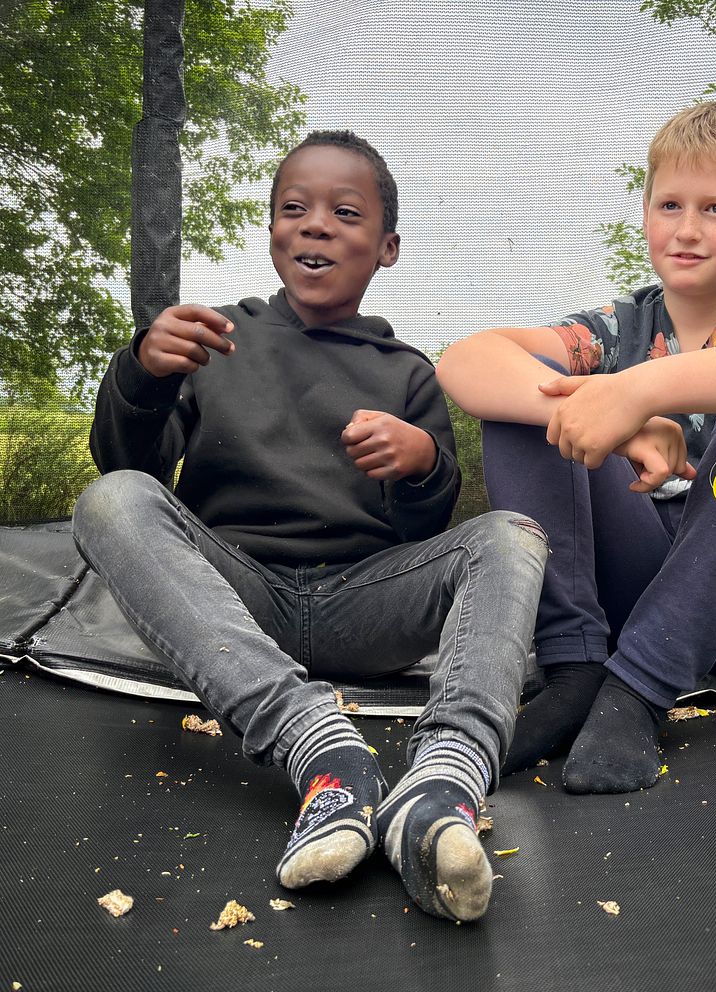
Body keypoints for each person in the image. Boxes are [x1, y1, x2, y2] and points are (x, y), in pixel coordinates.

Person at [72, 130, 548, 922]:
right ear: (272, 232)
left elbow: (426, 528)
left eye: (345, 213)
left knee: (512, 533)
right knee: (111, 499)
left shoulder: (408, 373)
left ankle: (445, 779)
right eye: (294, 209)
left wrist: (422, 461)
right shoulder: (215, 339)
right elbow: (131, 463)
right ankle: (317, 746)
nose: (316, 224)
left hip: (365, 603)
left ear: (387, 247)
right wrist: (141, 372)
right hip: (235, 600)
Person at [436, 101, 716, 796]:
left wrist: (639, 389)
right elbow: (466, 360)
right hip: (636, 592)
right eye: (670, 205)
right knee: (530, 395)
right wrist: (616, 423)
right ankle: (576, 668)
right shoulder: (618, 327)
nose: (687, 229)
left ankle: (639, 692)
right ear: (646, 212)